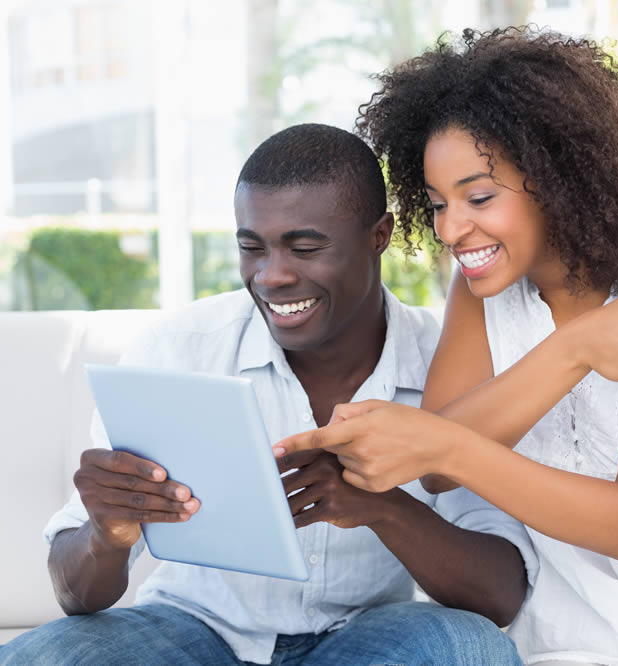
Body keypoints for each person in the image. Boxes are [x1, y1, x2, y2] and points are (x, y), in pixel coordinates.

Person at [274, 28, 618, 665]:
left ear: (561, 177)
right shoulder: (481, 290)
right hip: (556, 641)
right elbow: (438, 471)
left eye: (478, 197)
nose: (452, 229)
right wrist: (575, 350)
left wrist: (440, 437)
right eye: (437, 204)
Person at [0, 123, 534, 666]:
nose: (271, 276)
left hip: (367, 640)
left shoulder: (449, 367)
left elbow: (500, 594)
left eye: (305, 247)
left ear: (379, 236)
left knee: (468, 650)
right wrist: (104, 534)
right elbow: (74, 595)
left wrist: (382, 507)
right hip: (190, 631)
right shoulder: (180, 350)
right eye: (252, 248)